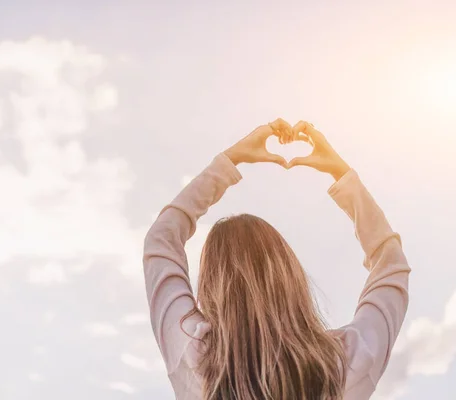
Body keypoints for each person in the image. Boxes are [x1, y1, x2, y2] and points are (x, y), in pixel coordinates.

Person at [142, 119, 411, 400]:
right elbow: (391, 266)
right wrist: (341, 174)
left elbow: (161, 239)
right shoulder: (345, 361)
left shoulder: (192, 352)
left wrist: (231, 160)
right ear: (289, 274)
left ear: (213, 284)